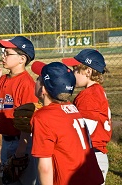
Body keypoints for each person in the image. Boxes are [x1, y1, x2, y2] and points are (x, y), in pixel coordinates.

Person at [30, 61, 104, 185]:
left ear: (43, 89)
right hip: (91, 178)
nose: (35, 81)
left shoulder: (43, 117)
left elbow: (45, 167)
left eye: (38, 79)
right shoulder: (72, 108)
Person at [0, 36, 38, 185]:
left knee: (25, 181)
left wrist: (21, 151)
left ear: (21, 59)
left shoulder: (26, 84)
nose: (3, 56)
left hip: (22, 141)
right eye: (3, 52)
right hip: (6, 141)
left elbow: (27, 122)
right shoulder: (2, 79)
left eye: (7, 53)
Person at [62, 49, 112, 184]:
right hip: (95, 155)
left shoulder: (89, 96)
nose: (72, 73)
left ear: (88, 72)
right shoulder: (96, 91)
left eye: (75, 69)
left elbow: (83, 132)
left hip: (91, 157)